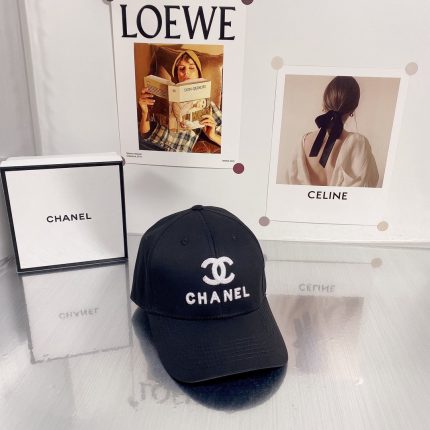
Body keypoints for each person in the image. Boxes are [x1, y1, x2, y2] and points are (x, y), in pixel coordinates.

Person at [287, 76, 379, 187]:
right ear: (353, 109)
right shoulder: (359, 143)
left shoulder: (303, 142)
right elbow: (368, 186)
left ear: (324, 103)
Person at [138, 50, 222, 152]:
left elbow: (230, 142)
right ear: (177, 75)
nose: (186, 72)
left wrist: (212, 136)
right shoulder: (161, 94)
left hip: (175, 153)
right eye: (181, 68)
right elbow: (144, 134)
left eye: (191, 68)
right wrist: (144, 112)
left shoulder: (207, 104)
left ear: (199, 75)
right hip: (150, 146)